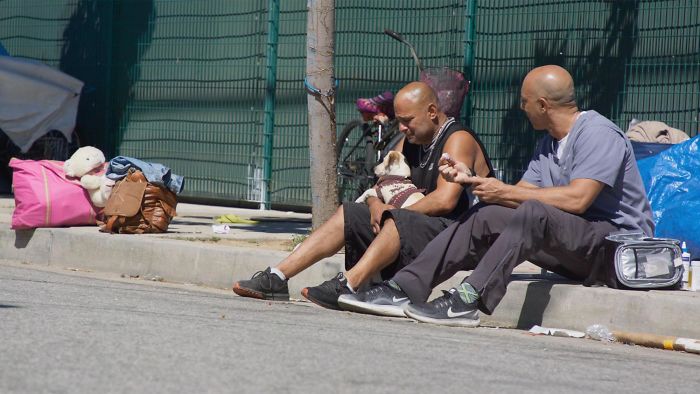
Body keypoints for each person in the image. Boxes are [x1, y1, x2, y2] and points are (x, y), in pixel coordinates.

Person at [338, 65, 654, 326]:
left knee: (533, 212)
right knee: (488, 215)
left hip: (614, 247)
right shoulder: (549, 143)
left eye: (525, 101)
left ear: (543, 105)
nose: (521, 107)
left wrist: (503, 191)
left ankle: (467, 300)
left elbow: (578, 200)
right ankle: (402, 289)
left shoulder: (598, 133)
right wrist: (473, 181)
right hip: (573, 239)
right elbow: (521, 193)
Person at [232, 81, 494, 310]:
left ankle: (348, 284)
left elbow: (445, 200)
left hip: (462, 237)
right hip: (421, 226)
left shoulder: (457, 139)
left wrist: (391, 212)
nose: (401, 128)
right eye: (399, 121)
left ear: (432, 112)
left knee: (395, 220)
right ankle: (277, 277)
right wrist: (374, 203)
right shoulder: (412, 140)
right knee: (350, 212)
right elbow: (381, 184)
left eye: (407, 121)